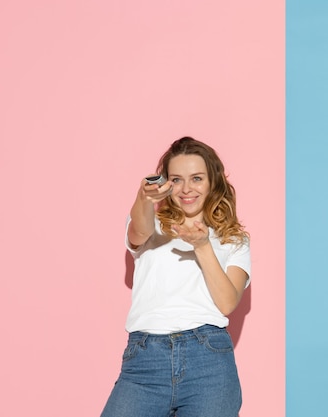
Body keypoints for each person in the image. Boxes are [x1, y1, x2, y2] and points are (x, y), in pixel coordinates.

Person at [101, 136, 251, 417]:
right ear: (166, 183)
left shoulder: (233, 239)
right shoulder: (152, 223)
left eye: (196, 178)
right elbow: (139, 233)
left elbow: (228, 302)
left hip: (208, 361)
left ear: (212, 182)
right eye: (176, 179)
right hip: (145, 359)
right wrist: (143, 198)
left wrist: (203, 245)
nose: (186, 189)